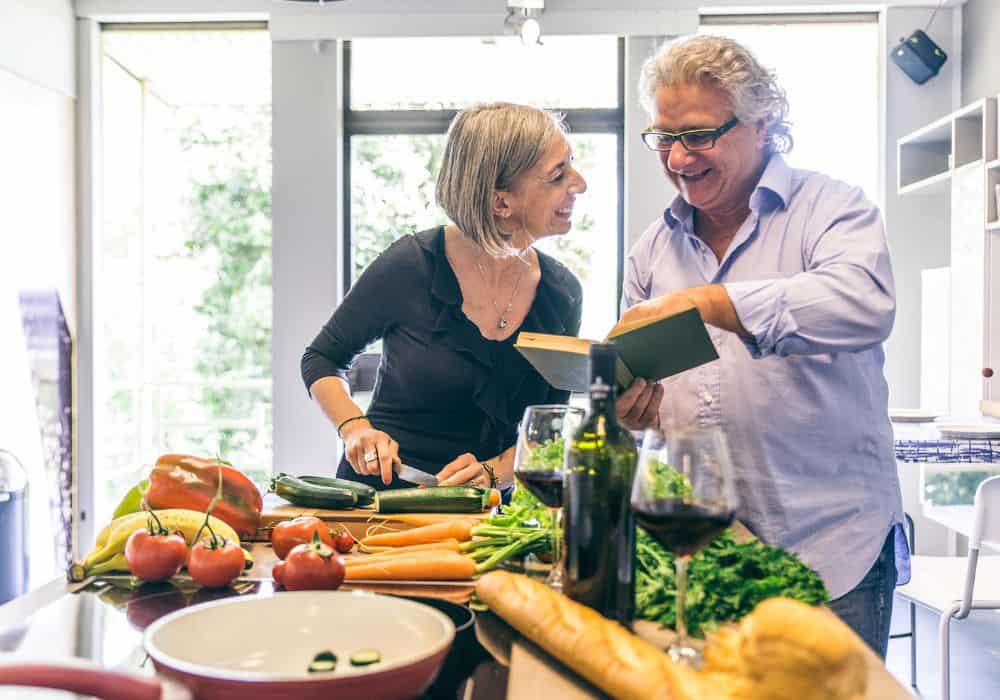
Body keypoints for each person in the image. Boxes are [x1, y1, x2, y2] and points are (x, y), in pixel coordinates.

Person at [616, 35, 909, 657]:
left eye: (698, 135)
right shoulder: (651, 250)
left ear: (762, 123)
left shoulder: (834, 209)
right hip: (703, 550)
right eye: (664, 137)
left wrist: (712, 302)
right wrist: (635, 411)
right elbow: (655, 401)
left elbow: (862, 303)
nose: (678, 157)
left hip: (833, 545)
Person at [302, 103, 662, 494]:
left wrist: (493, 473)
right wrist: (355, 428)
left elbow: (548, 427)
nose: (579, 183)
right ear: (501, 203)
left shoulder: (563, 293)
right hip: (382, 502)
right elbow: (322, 358)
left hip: (484, 514)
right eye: (558, 175)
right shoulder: (410, 265)